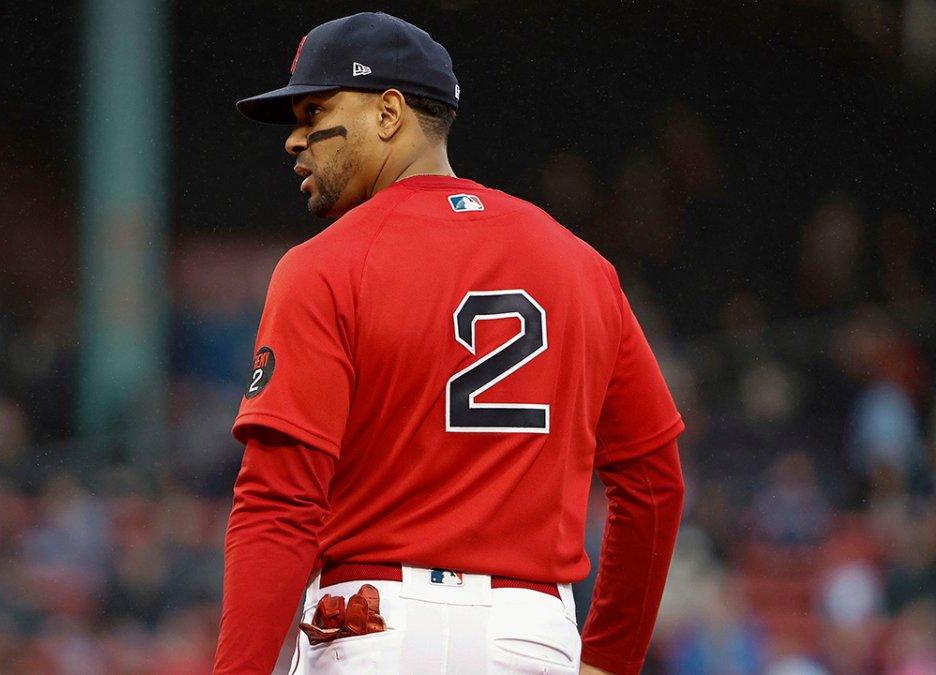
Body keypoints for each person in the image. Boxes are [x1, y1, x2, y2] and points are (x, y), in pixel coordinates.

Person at [215, 12, 685, 675]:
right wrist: (609, 657)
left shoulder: (325, 265)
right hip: (530, 638)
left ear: (388, 113)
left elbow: (279, 503)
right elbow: (654, 482)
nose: (295, 139)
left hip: (371, 631)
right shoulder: (580, 265)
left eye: (314, 109)